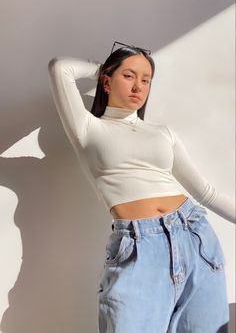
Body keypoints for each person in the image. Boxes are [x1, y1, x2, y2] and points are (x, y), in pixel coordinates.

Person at [48, 42, 235, 333]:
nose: (139, 86)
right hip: (138, 247)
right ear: (106, 81)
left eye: (146, 80)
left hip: (195, 236)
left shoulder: (162, 133)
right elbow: (60, 67)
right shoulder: (87, 129)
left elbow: (205, 192)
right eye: (129, 76)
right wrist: (107, 67)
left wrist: (123, 70)